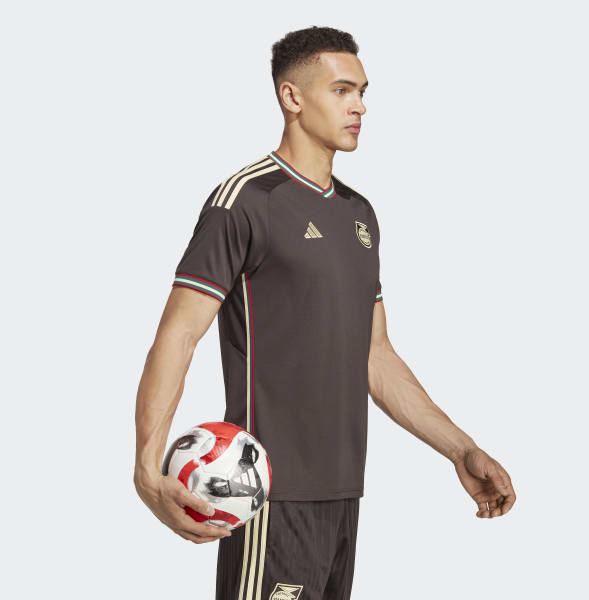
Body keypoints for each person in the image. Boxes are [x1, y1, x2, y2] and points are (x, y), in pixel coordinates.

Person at [134, 25, 516, 600]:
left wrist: (461, 448)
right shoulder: (245, 201)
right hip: (267, 494)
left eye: (362, 92)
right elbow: (179, 335)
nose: (359, 106)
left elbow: (376, 356)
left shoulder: (359, 215)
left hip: (342, 497)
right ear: (292, 96)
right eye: (342, 90)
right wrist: (147, 471)